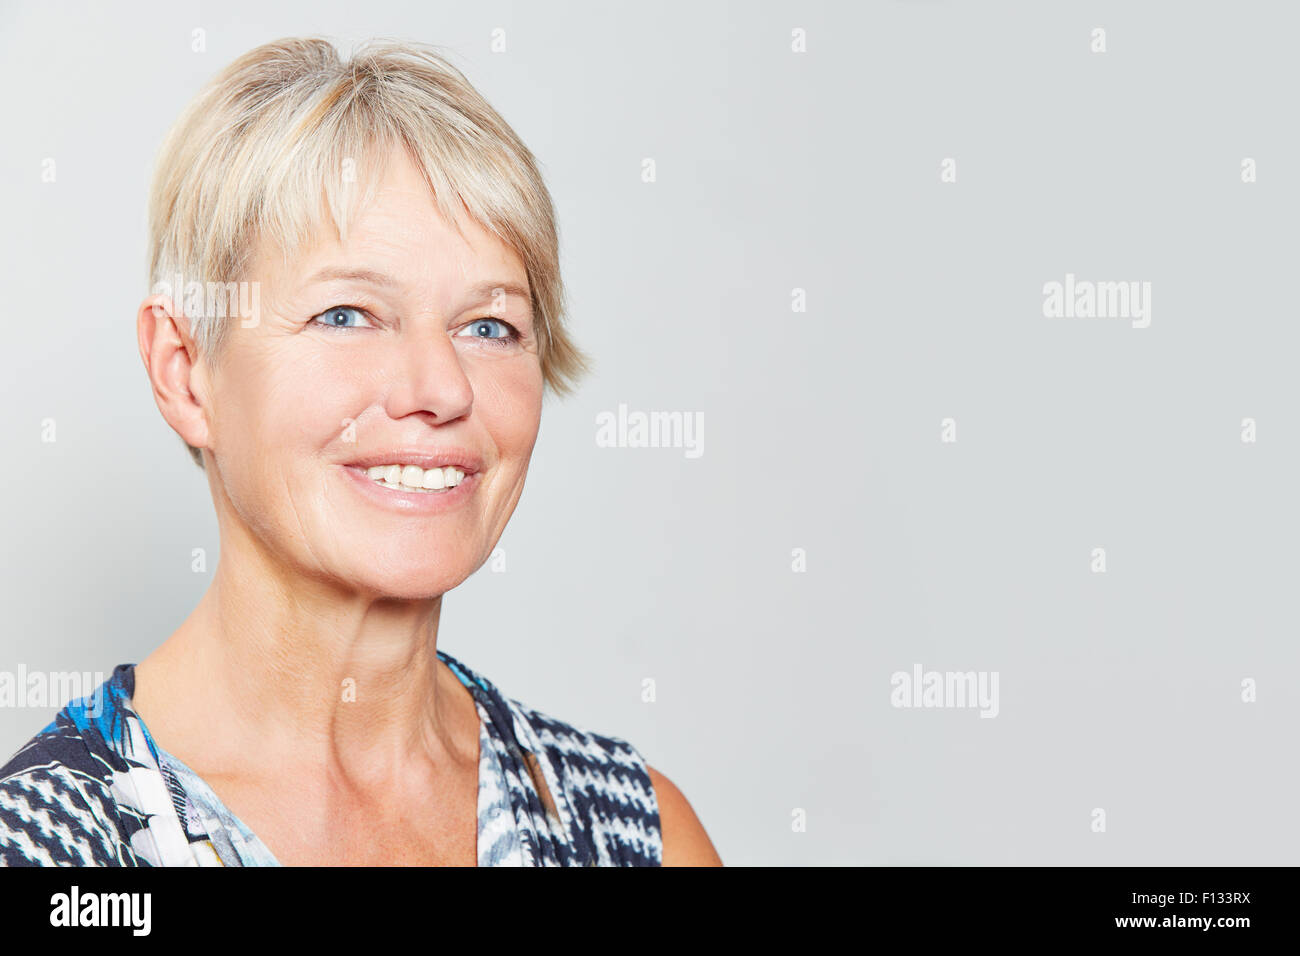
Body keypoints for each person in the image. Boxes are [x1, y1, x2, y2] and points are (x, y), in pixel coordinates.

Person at [0, 36, 721, 867]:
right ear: (186, 371)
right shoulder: (48, 849)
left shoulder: (640, 836)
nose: (442, 389)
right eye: (346, 314)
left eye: (489, 326)